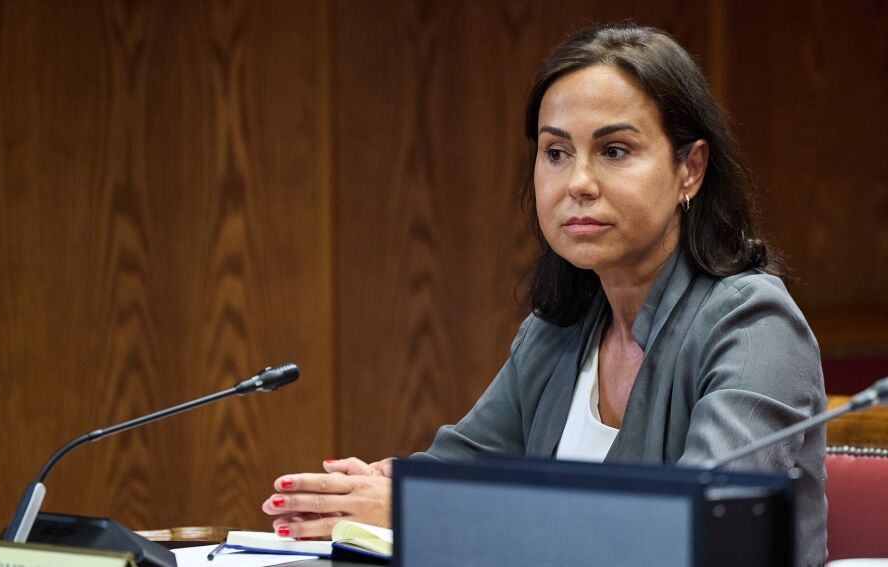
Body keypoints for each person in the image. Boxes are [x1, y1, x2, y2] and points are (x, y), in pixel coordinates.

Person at [262, 24, 827, 566]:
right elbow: (460, 473)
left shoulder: (754, 326)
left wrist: (420, 508)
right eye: (556, 153)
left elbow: (693, 529)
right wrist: (378, 489)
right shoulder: (556, 333)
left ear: (691, 170)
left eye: (614, 151)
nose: (578, 182)